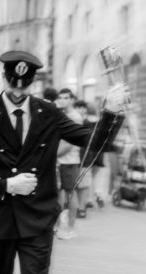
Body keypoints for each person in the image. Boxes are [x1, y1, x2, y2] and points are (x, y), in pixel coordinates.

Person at [0, 50, 127, 274]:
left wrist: (110, 112)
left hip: (38, 219)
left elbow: (94, 142)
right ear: (4, 78)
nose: (18, 91)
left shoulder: (49, 113)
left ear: (33, 81)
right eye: (13, 84)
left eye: (24, 85)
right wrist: (6, 185)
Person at [55, 88, 83, 239]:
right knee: (60, 195)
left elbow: (69, 144)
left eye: (66, 98)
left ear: (72, 99)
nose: (63, 100)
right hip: (62, 162)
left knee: (71, 194)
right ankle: (57, 225)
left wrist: (52, 154)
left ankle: (70, 228)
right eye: (61, 97)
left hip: (70, 162)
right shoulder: (64, 114)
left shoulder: (75, 117)